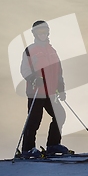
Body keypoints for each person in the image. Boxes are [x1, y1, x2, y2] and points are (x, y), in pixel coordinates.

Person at [19, 20, 69, 157]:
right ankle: (27, 149)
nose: (42, 34)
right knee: (34, 120)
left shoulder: (52, 50)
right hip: (36, 92)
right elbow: (24, 69)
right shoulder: (31, 50)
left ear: (48, 32)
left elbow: (58, 71)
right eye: (39, 31)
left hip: (50, 92)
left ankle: (53, 145)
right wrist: (34, 79)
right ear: (34, 33)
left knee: (60, 115)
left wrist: (61, 88)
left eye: (44, 31)